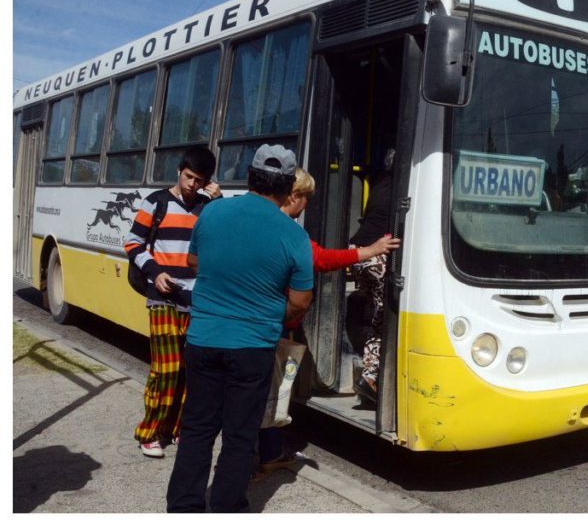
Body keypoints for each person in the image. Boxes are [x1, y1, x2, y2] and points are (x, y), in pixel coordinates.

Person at [166, 144, 314, 513]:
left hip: (203, 340)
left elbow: (194, 261)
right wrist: (263, 308)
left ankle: (184, 507)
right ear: (287, 187)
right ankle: (227, 506)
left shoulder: (213, 212)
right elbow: (299, 302)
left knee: (197, 428)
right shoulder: (293, 235)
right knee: (239, 434)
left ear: (250, 177)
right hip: (253, 347)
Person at [254, 167, 400, 480]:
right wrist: (370, 251)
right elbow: (319, 259)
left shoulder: (260, 221)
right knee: (270, 391)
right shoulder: (284, 228)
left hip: (258, 321)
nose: (306, 205)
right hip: (270, 322)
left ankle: (268, 451)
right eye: (305, 198)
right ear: (293, 196)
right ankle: (263, 457)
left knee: (271, 390)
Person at [124, 145, 221, 458]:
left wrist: (217, 202)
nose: (192, 184)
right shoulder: (156, 202)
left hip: (196, 297)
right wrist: (155, 271)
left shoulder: (209, 206)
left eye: (199, 179)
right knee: (166, 368)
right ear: (179, 171)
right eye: (188, 176)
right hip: (162, 296)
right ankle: (150, 432)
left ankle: (179, 429)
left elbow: (222, 237)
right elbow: (133, 242)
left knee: (192, 370)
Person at [348, 148, 395, 404]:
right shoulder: (402, 188)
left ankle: (370, 374)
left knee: (375, 315)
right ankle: (370, 377)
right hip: (376, 256)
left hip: (359, 252)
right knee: (385, 319)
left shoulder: (380, 183)